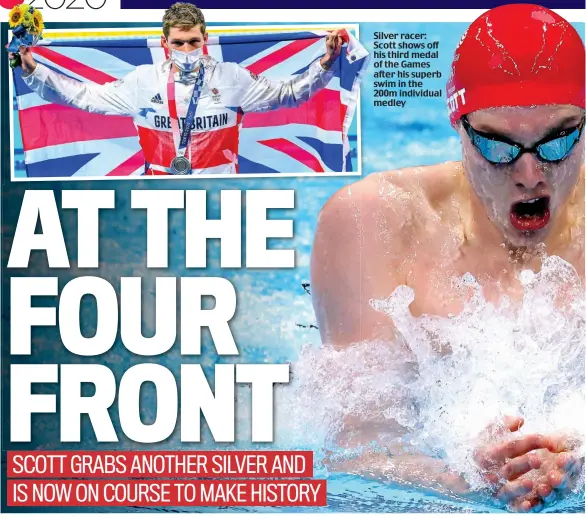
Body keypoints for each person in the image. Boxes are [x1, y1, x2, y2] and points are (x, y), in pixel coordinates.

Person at [311, 4, 584, 513]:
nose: (529, 174)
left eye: (560, 139)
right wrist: (460, 475)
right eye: (499, 146)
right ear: (457, 123)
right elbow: (354, 445)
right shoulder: (374, 224)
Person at [10, 2, 343, 175]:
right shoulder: (142, 81)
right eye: (179, 43)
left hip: (222, 194)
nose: (187, 50)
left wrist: (325, 63)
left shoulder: (232, 77)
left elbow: (289, 94)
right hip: (161, 193)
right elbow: (83, 97)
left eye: (194, 41)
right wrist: (33, 71)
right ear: (164, 43)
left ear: (205, 39)